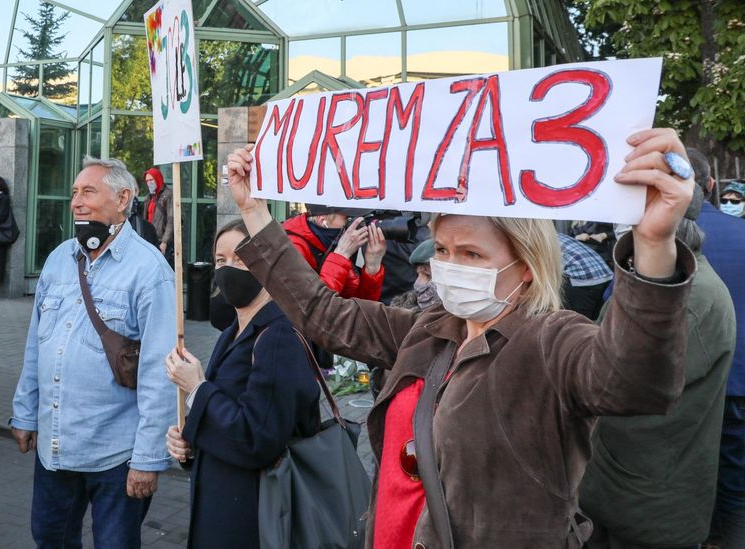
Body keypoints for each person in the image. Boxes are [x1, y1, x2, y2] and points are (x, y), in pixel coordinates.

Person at [223, 128, 697, 548]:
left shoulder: (551, 340)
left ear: (527, 266)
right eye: (445, 251)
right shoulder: (428, 329)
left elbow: (633, 383)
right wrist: (253, 211)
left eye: (472, 254)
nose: (451, 267)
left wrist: (653, 245)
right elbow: (321, 312)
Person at [11, 156, 176, 549]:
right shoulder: (59, 258)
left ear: (123, 198)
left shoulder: (150, 271)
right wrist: (24, 411)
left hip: (115, 454)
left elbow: (159, 370)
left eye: (88, 191)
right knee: (50, 538)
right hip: (55, 446)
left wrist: (148, 457)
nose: (76, 202)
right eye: (74, 193)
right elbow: (37, 344)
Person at [579, 198, 735, 549]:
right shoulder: (667, 286)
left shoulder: (692, 299)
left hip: (649, 500)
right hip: (625, 486)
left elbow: (614, 381)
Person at [162, 219, 322, 549]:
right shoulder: (231, 331)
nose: (227, 269)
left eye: (240, 258)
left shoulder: (278, 335)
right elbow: (226, 421)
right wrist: (190, 444)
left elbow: (257, 438)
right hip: (221, 504)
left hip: (255, 516)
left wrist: (197, 389)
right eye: (220, 260)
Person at [691, 152, 745, 549]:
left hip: (681, 383)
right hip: (739, 381)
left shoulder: (649, 239)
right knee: (735, 476)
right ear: (710, 186)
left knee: (682, 472)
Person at [281, 204, 384, 300]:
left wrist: (372, 267)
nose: (356, 225)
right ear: (323, 220)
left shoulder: (331, 243)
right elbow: (311, 306)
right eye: (348, 219)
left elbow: (358, 307)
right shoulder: (292, 248)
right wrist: (341, 255)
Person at [558, 232, 614, 320]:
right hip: (605, 274)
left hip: (583, 278)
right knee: (596, 321)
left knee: (577, 322)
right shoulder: (556, 235)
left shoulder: (537, 240)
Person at [143, 167, 174, 263]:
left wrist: (164, 242)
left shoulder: (168, 195)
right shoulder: (149, 197)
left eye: (151, 180)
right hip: (149, 240)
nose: (149, 183)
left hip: (161, 240)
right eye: (147, 181)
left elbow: (171, 219)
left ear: (157, 178)